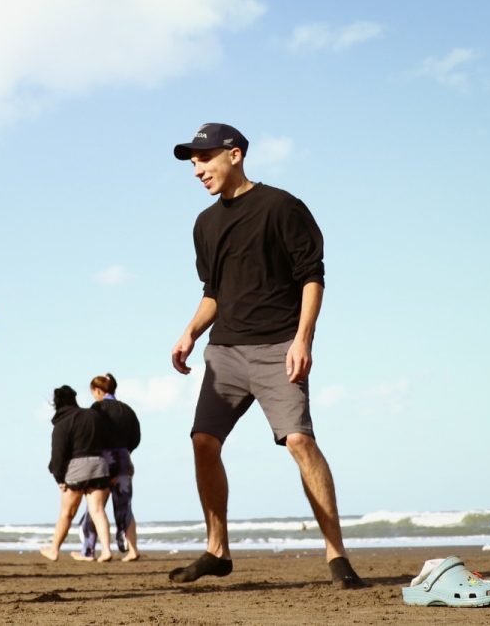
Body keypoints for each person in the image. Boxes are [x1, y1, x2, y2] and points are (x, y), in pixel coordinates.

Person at [168, 123, 366, 589]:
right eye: (193, 163)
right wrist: (190, 332)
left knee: (299, 441)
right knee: (203, 441)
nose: (197, 170)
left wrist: (303, 340)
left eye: (204, 158)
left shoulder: (282, 206)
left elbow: (312, 276)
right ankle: (217, 550)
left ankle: (336, 554)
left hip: (278, 346)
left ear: (235, 154)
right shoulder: (204, 224)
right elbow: (213, 292)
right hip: (225, 350)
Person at [40, 385, 113, 563]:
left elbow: (58, 455)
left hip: (76, 469)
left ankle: (54, 550)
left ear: (56, 403)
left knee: (66, 513)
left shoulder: (62, 423)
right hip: (99, 466)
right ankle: (106, 550)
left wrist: (59, 478)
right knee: (98, 511)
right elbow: (107, 440)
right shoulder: (93, 415)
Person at [75, 373, 141, 562]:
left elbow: (91, 434)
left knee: (95, 508)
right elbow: (136, 437)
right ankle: (133, 550)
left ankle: (91, 550)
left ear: (98, 390)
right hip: (124, 460)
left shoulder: (97, 408)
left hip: (103, 461)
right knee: (124, 507)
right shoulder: (127, 410)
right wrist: (125, 451)